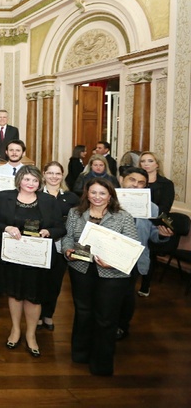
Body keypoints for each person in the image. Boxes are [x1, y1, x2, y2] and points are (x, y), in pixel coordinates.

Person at [62, 178, 139, 376]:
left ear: (110, 195)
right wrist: (67, 250)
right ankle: (80, 355)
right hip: (81, 269)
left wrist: (112, 262)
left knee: (106, 318)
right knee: (83, 312)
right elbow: (68, 236)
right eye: (93, 192)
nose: (97, 197)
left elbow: (133, 246)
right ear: (87, 194)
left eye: (102, 193)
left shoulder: (123, 217)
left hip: (112, 274)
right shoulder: (75, 213)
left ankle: (101, 363)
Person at [0, 165, 65, 357]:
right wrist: (7, 228)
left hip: (37, 257)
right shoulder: (5, 197)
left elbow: (60, 227)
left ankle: (31, 335)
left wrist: (49, 232)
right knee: (14, 294)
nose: (30, 183)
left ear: (40, 183)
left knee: (34, 296)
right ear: (19, 180)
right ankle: (15, 330)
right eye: (27, 179)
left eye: (35, 180)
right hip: (12, 256)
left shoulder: (49, 200)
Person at [116, 167, 174, 340]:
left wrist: (163, 235)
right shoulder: (107, 202)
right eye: (132, 180)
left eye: (141, 183)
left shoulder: (153, 208)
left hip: (135, 258)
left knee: (127, 295)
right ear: (122, 181)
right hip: (110, 256)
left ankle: (121, 327)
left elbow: (153, 236)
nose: (136, 185)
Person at [38, 161, 79, 332]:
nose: (54, 177)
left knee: (55, 283)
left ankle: (48, 315)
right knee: (39, 282)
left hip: (62, 246)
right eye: (50, 173)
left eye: (58, 174)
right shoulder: (36, 194)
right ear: (44, 174)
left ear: (62, 176)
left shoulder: (71, 197)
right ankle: (37, 316)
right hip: (39, 246)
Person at [137, 151, 177, 297]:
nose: (146, 164)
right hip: (136, 222)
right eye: (143, 161)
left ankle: (145, 284)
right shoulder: (137, 182)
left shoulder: (166, 184)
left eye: (150, 161)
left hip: (154, 222)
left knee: (150, 250)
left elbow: (164, 209)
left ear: (157, 164)